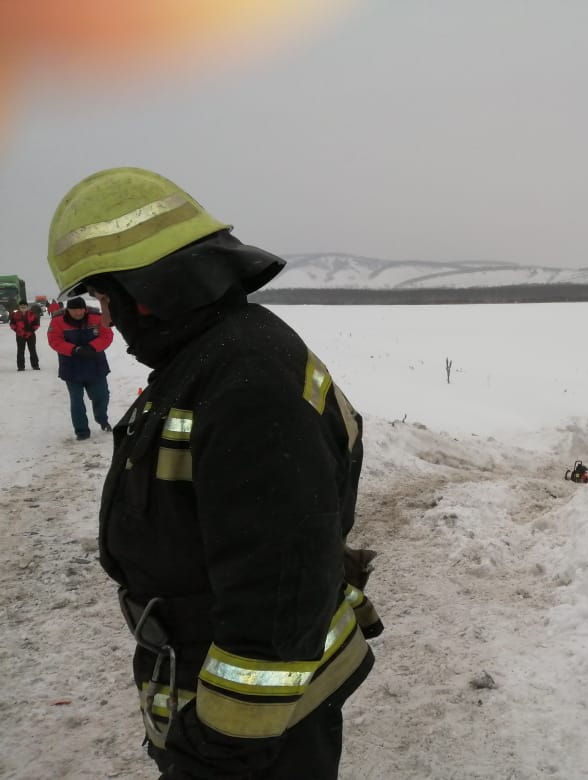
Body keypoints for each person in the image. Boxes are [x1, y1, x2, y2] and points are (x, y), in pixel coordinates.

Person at [46, 167, 382, 779]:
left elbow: (276, 592)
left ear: (145, 291)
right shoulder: (209, 357)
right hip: (216, 689)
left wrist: (220, 750)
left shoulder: (245, 381)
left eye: (106, 299)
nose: (110, 321)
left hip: (260, 728)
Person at [47, 296, 113, 439]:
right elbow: (54, 340)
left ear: (85, 309)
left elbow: (107, 335)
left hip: (95, 364)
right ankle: (82, 431)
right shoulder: (57, 321)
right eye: (74, 310)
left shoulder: (97, 317)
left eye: (80, 310)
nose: (77, 313)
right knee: (76, 401)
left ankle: (102, 419)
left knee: (102, 395)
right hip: (71, 367)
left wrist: (92, 347)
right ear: (68, 310)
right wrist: (73, 349)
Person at [9, 299, 41, 371]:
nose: (23, 307)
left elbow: (37, 324)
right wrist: (17, 331)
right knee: (20, 351)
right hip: (20, 336)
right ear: (19, 306)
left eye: (24, 305)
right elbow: (12, 324)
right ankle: (21, 366)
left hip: (31, 335)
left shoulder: (32, 314)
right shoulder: (15, 314)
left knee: (32, 350)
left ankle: (35, 365)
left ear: (27, 306)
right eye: (21, 305)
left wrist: (31, 331)